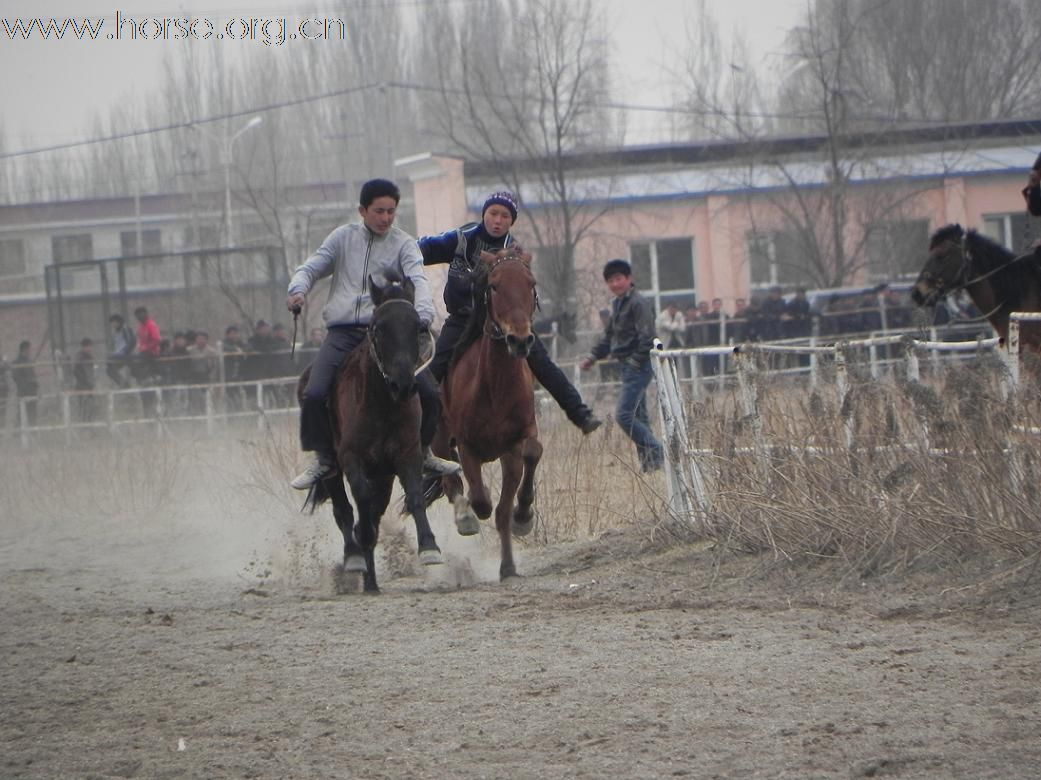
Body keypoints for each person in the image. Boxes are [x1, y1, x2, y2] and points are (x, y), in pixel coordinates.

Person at [285, 177, 460, 490]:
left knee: (431, 392)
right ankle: (323, 458)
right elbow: (311, 267)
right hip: (341, 333)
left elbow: (419, 279)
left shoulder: (404, 244)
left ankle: (424, 454)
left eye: (391, 211)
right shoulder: (342, 238)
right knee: (313, 392)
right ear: (362, 210)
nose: (386, 218)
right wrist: (298, 290)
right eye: (379, 211)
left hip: (386, 334)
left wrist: (423, 314)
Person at [418, 191, 601, 434]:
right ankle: (418, 433)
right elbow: (422, 250)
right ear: (484, 214)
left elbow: (522, 289)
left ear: (511, 221)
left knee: (543, 364)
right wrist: (395, 251)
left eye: (505, 216)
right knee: (433, 369)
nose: (498, 220)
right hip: (462, 320)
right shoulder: (461, 239)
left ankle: (580, 414)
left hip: (504, 322)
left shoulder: (514, 251)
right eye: (493, 213)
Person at [579, 259, 664, 473]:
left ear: (629, 279)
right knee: (639, 416)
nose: (615, 284)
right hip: (625, 365)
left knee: (624, 415)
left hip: (638, 365)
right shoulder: (617, 304)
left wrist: (635, 362)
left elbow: (648, 337)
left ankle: (658, 449)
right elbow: (609, 337)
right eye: (610, 281)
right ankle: (651, 466)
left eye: (618, 279)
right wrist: (593, 356)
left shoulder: (638, 303)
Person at [11, 339, 39, 427]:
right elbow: (16, 378)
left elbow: (32, 376)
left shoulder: (28, 361)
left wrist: (36, 385)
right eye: (30, 349)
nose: (31, 351)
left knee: (32, 414)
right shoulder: (17, 362)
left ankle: (32, 433)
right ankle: (18, 435)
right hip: (24, 393)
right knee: (22, 414)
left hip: (32, 392)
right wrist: (27, 386)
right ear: (25, 349)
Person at [106, 313, 136, 388]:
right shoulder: (116, 333)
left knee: (110, 360)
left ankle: (127, 385)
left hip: (126, 355)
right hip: (119, 355)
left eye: (114, 322)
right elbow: (117, 346)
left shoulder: (126, 329)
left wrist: (124, 352)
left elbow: (132, 342)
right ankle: (125, 385)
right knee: (109, 370)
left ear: (119, 322)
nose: (113, 324)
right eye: (112, 323)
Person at [72, 337, 97, 422]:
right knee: (84, 407)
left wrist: (91, 382)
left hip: (88, 386)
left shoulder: (88, 356)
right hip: (82, 386)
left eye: (91, 346)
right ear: (84, 347)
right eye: (89, 346)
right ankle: (84, 426)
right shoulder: (80, 356)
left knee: (91, 407)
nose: (91, 348)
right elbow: (75, 370)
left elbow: (91, 371)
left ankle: (89, 425)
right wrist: (84, 381)